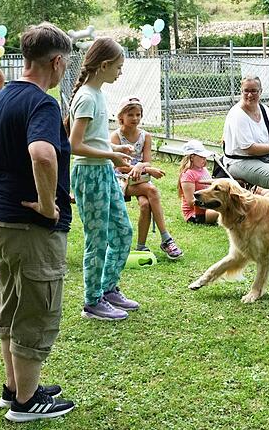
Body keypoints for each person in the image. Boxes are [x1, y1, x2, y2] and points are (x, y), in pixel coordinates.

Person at [0, 23, 75, 423]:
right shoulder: (42, 103)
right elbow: (43, 155)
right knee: (35, 309)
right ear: (57, 61)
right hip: (27, 228)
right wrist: (49, 206)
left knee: (10, 306)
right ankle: (27, 404)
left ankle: (15, 387)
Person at [69, 37, 139, 321]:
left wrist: (114, 149)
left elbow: (93, 140)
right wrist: (110, 156)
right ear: (105, 65)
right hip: (89, 174)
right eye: (118, 67)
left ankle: (108, 288)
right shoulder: (86, 96)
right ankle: (92, 301)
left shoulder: (98, 94)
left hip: (103, 171)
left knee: (122, 233)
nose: (120, 72)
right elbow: (74, 146)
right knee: (96, 240)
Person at [110, 96, 183, 258]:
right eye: (131, 115)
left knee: (145, 205)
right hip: (121, 179)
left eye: (138, 115)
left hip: (139, 177)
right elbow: (119, 165)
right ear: (121, 117)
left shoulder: (145, 136)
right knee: (152, 190)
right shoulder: (116, 136)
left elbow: (147, 161)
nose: (135, 118)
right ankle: (166, 238)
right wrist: (146, 170)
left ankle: (141, 246)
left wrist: (141, 167)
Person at [178, 140, 219, 225]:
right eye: (202, 157)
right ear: (192, 157)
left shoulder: (203, 169)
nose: (204, 159)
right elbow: (191, 202)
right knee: (224, 211)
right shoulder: (188, 174)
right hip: (196, 213)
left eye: (205, 157)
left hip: (207, 207)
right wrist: (213, 204)